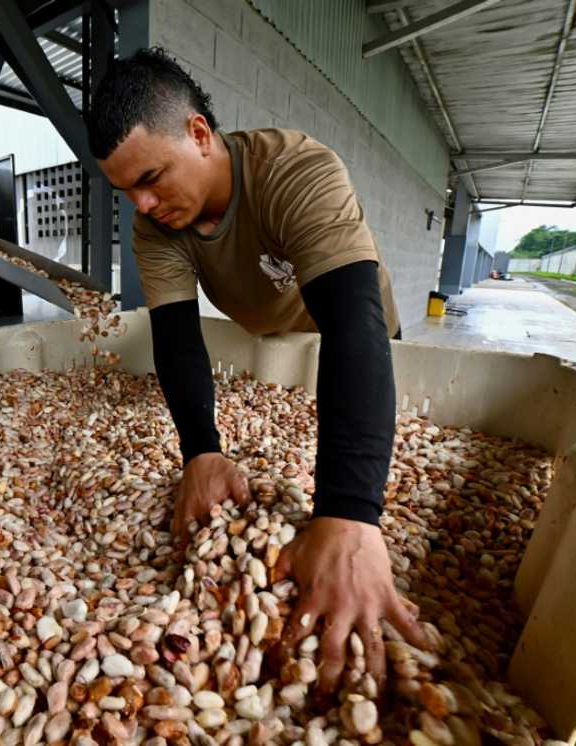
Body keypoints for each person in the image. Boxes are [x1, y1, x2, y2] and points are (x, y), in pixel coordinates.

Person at [85, 47, 431, 692]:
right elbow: (177, 336)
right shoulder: (158, 225)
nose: (143, 202)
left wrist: (350, 515)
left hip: (351, 333)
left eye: (152, 177)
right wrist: (201, 452)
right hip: (266, 338)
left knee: (367, 414)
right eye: (126, 189)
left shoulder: (295, 169)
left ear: (198, 133)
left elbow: (353, 330)